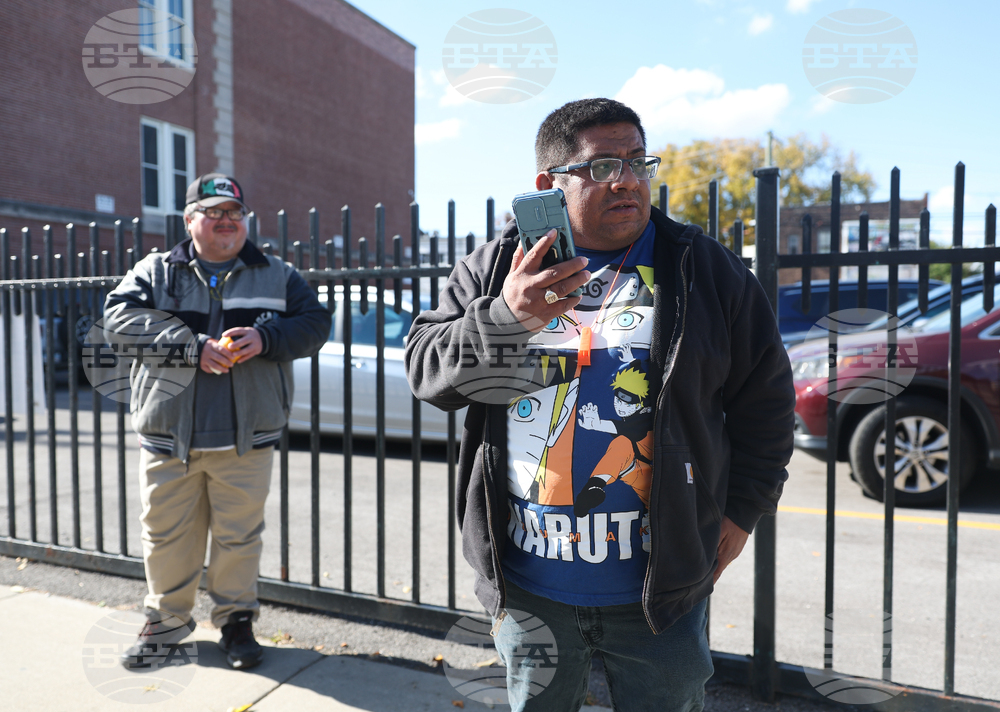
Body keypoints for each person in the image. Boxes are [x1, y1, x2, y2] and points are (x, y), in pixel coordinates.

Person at [404, 99, 794, 710]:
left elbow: (766, 403)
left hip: (659, 593)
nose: (629, 180)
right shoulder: (494, 270)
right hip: (530, 586)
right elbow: (428, 373)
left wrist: (744, 510)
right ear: (549, 185)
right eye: (604, 165)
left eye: (640, 161)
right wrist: (505, 318)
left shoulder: (702, 269)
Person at [104, 173, 331, 670]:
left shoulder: (278, 274)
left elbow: (315, 325)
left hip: (246, 439)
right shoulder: (156, 271)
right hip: (168, 435)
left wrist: (266, 340)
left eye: (235, 213)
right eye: (214, 212)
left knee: (238, 536)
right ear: (190, 221)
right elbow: (118, 319)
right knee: (166, 537)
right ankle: (165, 624)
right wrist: (190, 347)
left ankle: (235, 623)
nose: (227, 221)